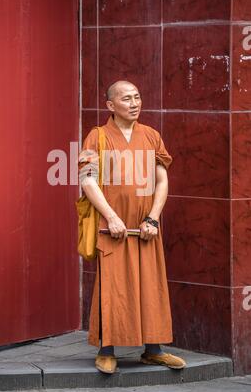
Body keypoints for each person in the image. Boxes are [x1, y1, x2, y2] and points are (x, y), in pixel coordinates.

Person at [78, 80, 186, 374]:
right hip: (111, 226)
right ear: (111, 106)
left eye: (137, 97)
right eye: (127, 99)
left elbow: (162, 180)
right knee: (112, 288)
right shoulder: (97, 137)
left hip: (145, 226)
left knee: (152, 285)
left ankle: (153, 350)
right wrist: (111, 216)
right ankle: (107, 350)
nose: (135, 103)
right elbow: (87, 180)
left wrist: (153, 217)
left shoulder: (151, 135)